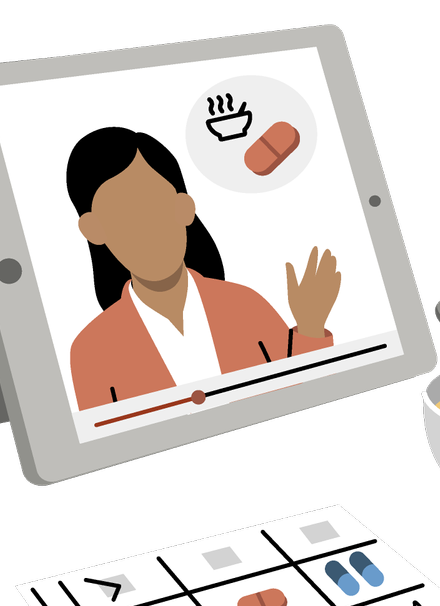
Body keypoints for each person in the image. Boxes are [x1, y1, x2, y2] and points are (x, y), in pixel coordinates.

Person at [64, 127, 342, 410]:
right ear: (93, 230)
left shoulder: (247, 306)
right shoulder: (91, 352)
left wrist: (310, 330)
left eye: (153, 203)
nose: (146, 228)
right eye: (122, 214)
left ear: (183, 208)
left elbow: (303, 397)